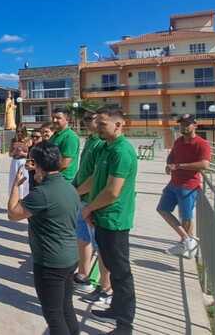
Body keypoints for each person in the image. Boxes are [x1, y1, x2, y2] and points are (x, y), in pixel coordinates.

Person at [7, 143, 81, 334]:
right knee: (66, 307)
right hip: (70, 258)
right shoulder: (69, 187)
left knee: (54, 316)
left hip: (50, 263)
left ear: (38, 165)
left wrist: (15, 186)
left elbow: (13, 214)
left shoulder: (41, 194)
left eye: (32, 161)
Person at [83, 107, 138, 334]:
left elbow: (113, 191)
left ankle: (125, 324)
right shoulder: (107, 147)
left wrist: (88, 208)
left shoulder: (122, 151)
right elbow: (96, 179)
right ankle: (115, 309)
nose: (98, 127)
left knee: (121, 272)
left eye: (103, 124)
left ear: (119, 124)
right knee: (113, 269)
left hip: (115, 220)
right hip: (102, 217)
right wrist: (75, 193)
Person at [159, 114, 211, 259]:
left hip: (189, 185)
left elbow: (205, 164)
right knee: (162, 209)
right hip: (173, 183)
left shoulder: (201, 143)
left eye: (187, 124)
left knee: (186, 217)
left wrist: (180, 166)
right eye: (182, 124)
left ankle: (187, 246)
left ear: (195, 125)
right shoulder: (178, 141)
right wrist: (169, 164)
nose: (184, 127)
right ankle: (188, 241)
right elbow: (172, 155)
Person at [73, 112, 112, 304]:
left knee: (101, 246)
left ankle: (106, 288)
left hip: (92, 200)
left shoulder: (101, 145)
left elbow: (96, 176)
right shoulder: (90, 141)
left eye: (93, 119)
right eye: (86, 119)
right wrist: (74, 185)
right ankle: (85, 276)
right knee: (83, 239)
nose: (88, 123)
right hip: (82, 197)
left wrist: (77, 192)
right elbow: (84, 170)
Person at [48, 108, 81, 183]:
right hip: (54, 177)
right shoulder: (55, 136)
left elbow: (65, 163)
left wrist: (47, 173)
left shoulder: (70, 137)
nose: (54, 120)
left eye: (58, 118)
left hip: (63, 179)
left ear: (67, 119)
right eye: (53, 118)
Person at [8, 126, 30, 200]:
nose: (19, 133)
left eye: (21, 131)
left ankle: (23, 199)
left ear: (24, 132)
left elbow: (31, 155)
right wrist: (15, 151)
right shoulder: (13, 140)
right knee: (14, 180)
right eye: (18, 131)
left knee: (24, 181)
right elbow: (10, 154)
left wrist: (22, 153)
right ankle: (15, 199)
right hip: (15, 162)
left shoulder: (28, 140)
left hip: (24, 161)